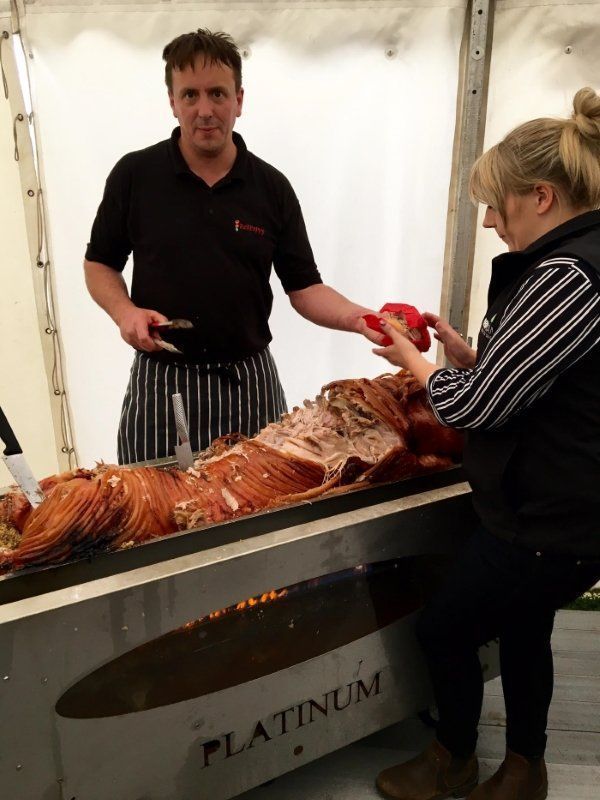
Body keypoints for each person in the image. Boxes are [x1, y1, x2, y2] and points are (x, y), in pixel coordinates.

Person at [362, 87, 600, 800]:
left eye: (497, 205)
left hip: (549, 518)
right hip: (565, 506)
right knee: (525, 627)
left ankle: (451, 759)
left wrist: (414, 361)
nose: (491, 221)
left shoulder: (568, 275)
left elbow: (481, 407)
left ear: (542, 197)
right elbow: (541, 381)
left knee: (443, 629)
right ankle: (526, 767)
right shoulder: (581, 258)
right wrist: (469, 355)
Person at [84, 29, 371, 465]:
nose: (205, 110)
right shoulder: (135, 175)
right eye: (190, 95)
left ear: (238, 100)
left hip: (249, 382)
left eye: (217, 94)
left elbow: (305, 287)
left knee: (264, 501)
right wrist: (125, 313)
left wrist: (361, 319)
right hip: (163, 384)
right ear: (173, 101)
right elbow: (99, 264)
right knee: (156, 504)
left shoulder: (271, 187)